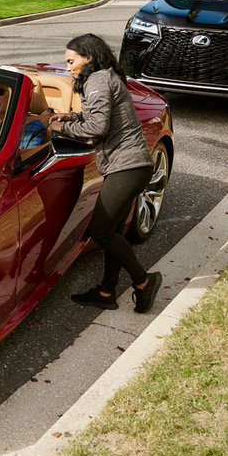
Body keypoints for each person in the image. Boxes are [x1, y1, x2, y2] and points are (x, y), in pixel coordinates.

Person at [47, 34, 162, 313]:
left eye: (72, 61)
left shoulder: (98, 79)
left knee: (101, 231)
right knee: (112, 230)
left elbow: (96, 129)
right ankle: (106, 291)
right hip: (130, 165)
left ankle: (144, 281)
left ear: (88, 56)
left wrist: (59, 128)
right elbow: (104, 120)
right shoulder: (106, 77)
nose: (69, 67)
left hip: (128, 166)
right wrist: (72, 117)